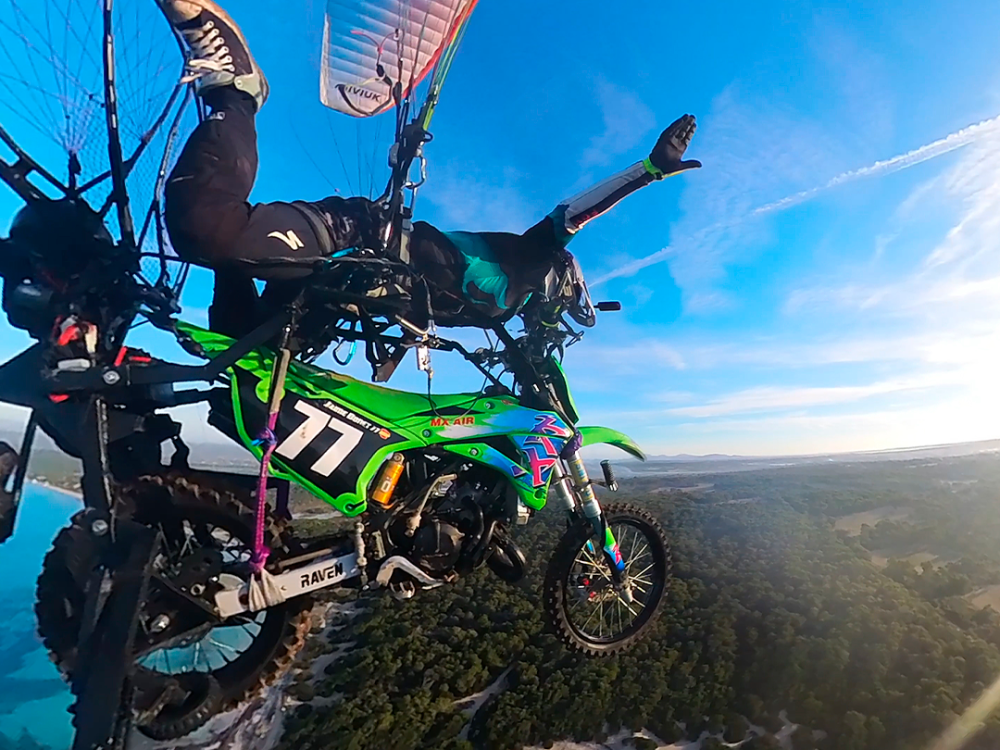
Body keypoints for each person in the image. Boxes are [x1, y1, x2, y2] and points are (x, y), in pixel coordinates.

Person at [158, 0, 701, 338]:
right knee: (210, 231)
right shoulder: (532, 259)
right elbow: (576, 213)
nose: (546, 320)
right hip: (359, 236)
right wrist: (648, 169)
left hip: (332, 292)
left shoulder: (498, 314)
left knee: (240, 358)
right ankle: (238, 94)